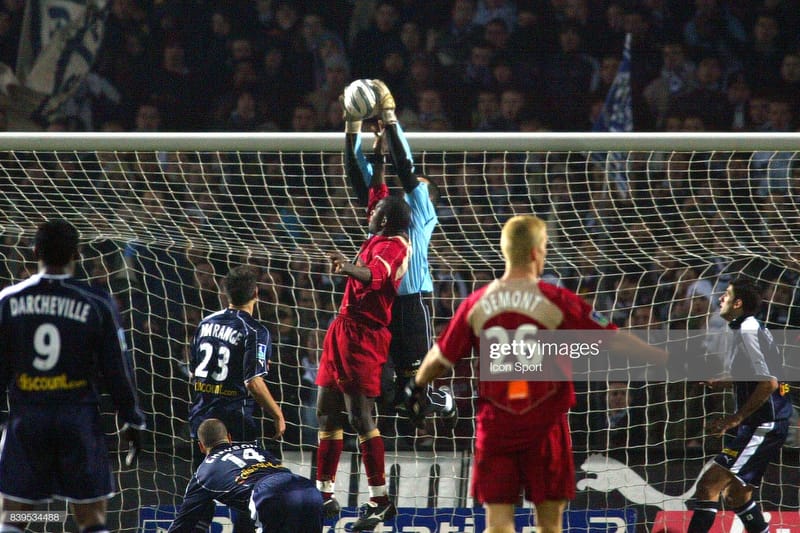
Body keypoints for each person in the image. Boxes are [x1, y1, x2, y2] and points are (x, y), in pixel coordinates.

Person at [399, 215, 667, 533]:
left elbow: (441, 358)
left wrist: (417, 386)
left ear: (505, 251)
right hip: (545, 425)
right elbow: (613, 340)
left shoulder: (477, 303)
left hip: (496, 426)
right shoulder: (555, 301)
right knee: (549, 524)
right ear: (538, 251)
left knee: (498, 524)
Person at [0, 219, 145, 533]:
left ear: (35, 250)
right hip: (78, 419)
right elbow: (117, 367)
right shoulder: (96, 301)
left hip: (28, 417)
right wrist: (132, 418)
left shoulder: (8, 301)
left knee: (13, 517)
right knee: (90, 518)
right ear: (76, 254)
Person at [343, 78, 455, 443]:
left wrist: (391, 120)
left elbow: (407, 169)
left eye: (418, 185)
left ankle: (441, 402)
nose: (411, 185)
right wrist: (352, 129)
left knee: (417, 387)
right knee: (387, 390)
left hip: (411, 305)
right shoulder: (383, 214)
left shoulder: (420, 211)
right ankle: (411, 424)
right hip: (380, 307)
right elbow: (360, 177)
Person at [315, 124, 412, 530]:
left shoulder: (396, 245)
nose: (369, 211)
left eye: (375, 210)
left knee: (359, 416)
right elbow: (377, 189)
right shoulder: (382, 226)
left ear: (386, 220)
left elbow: (373, 276)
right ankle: (323, 494)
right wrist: (377, 153)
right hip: (342, 329)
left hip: (365, 336)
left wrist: (346, 267)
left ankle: (380, 499)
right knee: (326, 411)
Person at [687, 277, 792, 533]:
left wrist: (734, 418)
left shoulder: (747, 330)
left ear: (738, 303)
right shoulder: (745, 328)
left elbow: (769, 383)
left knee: (708, 486)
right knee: (736, 496)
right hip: (764, 420)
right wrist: (721, 382)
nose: (721, 299)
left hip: (764, 422)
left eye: (726, 295)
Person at [168, 418, 322, 533]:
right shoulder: (256, 448)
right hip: (305, 487)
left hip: (268, 492)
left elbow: (183, 524)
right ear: (229, 437)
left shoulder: (202, 474)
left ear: (201, 446)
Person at [188, 265, 285, 448]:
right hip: (233, 421)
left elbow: (193, 373)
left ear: (226, 293)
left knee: (203, 475)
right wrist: (277, 415)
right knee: (239, 474)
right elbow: (253, 382)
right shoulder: (255, 331)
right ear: (256, 293)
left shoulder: (205, 323)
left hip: (201, 417)